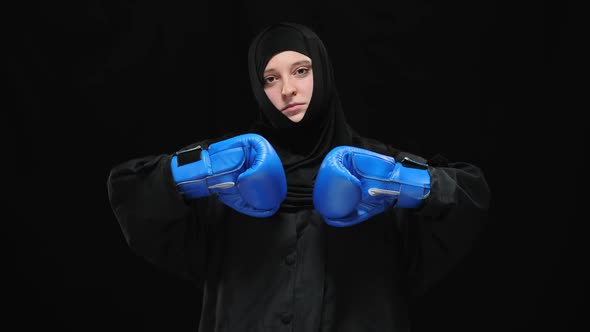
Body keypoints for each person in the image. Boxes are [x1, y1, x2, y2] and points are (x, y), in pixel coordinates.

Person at [107, 22, 491, 331]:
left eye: (301, 71)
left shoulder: (373, 165)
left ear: (321, 72)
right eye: (270, 79)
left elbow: (469, 197)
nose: (287, 90)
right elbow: (130, 191)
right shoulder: (231, 167)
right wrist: (198, 172)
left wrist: (399, 182)